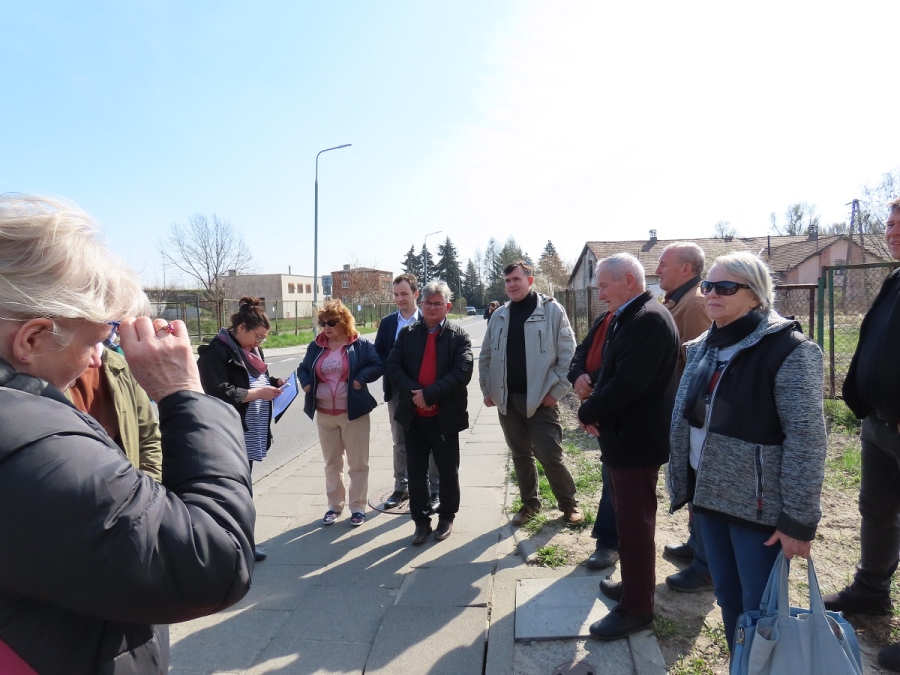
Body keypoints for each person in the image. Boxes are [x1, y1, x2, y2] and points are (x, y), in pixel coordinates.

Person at [0, 194, 255, 673]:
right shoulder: (30, 445)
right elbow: (217, 561)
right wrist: (184, 393)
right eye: (95, 342)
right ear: (31, 338)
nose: (99, 359)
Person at [667, 250, 826, 655]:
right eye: (708, 286)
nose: (711, 294)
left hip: (758, 510)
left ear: (755, 295)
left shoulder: (788, 349)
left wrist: (798, 520)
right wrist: (688, 487)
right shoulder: (704, 346)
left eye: (725, 287)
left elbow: (806, 439)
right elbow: (693, 423)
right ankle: (742, 664)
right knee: (728, 599)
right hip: (710, 499)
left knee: (760, 610)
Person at [576, 253, 679, 641]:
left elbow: (628, 384)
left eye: (604, 285)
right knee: (627, 521)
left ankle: (638, 608)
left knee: (635, 526)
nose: (600, 294)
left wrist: (588, 410)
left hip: (636, 440)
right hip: (623, 436)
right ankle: (635, 584)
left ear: (629, 280)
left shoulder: (648, 318)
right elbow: (610, 370)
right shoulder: (630, 315)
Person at [824, 198, 900, 672]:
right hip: (879, 423)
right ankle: (871, 591)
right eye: (890, 224)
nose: (892, 231)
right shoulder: (895, 279)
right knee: (876, 511)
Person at [480, 261, 583, 526]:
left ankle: (569, 504)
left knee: (550, 455)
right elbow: (487, 356)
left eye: (516, 279)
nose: (511, 285)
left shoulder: (552, 311)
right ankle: (530, 504)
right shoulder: (500, 315)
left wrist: (557, 391)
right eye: (507, 281)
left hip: (541, 400)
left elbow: (568, 354)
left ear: (530, 280)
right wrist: (488, 389)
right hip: (507, 400)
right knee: (520, 454)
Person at [385, 281, 472, 545]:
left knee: (447, 471)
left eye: (437, 303)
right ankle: (421, 522)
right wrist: (416, 394)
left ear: (447, 306)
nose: (432, 308)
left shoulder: (459, 336)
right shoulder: (408, 333)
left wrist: (429, 394)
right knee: (416, 472)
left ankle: (446, 517)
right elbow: (393, 365)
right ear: (421, 304)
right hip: (413, 417)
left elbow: (462, 372)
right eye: (427, 303)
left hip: (445, 417)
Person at [197, 295, 283, 561]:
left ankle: (243, 543)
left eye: (263, 339)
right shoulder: (217, 352)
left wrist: (273, 382)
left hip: (250, 430)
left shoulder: (251, 351)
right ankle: (233, 546)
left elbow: (255, 379)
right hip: (229, 433)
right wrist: (258, 394)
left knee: (244, 489)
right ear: (241, 328)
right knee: (232, 492)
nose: (260, 343)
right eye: (257, 337)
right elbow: (217, 391)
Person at [656, 243, 714, 593]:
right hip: (682, 410)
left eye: (664, 264)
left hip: (694, 413)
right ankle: (697, 546)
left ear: (687, 269)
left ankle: (707, 566)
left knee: (700, 482)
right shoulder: (678, 301)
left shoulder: (694, 304)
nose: (658, 270)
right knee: (692, 483)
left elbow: (699, 363)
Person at [298, 300, 383, 527]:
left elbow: (377, 364)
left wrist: (360, 379)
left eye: (332, 322)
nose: (326, 327)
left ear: (344, 321)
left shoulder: (359, 344)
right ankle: (334, 506)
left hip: (353, 413)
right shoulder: (316, 346)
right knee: (332, 464)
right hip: (325, 414)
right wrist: (306, 384)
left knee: (358, 463)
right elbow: (303, 368)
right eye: (323, 323)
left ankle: (358, 508)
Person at [374, 273, 439, 511]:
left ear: (416, 294)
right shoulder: (388, 323)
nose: (400, 299)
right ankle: (401, 487)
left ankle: (434, 489)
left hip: (426, 392)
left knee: (431, 440)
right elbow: (379, 355)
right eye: (396, 294)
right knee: (399, 441)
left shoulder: (429, 319)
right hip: (397, 392)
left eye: (404, 294)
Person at [68, 342, 163, 481]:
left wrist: (148, 488)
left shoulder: (120, 365)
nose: (95, 360)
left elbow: (149, 439)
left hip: (131, 489)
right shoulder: (41, 373)